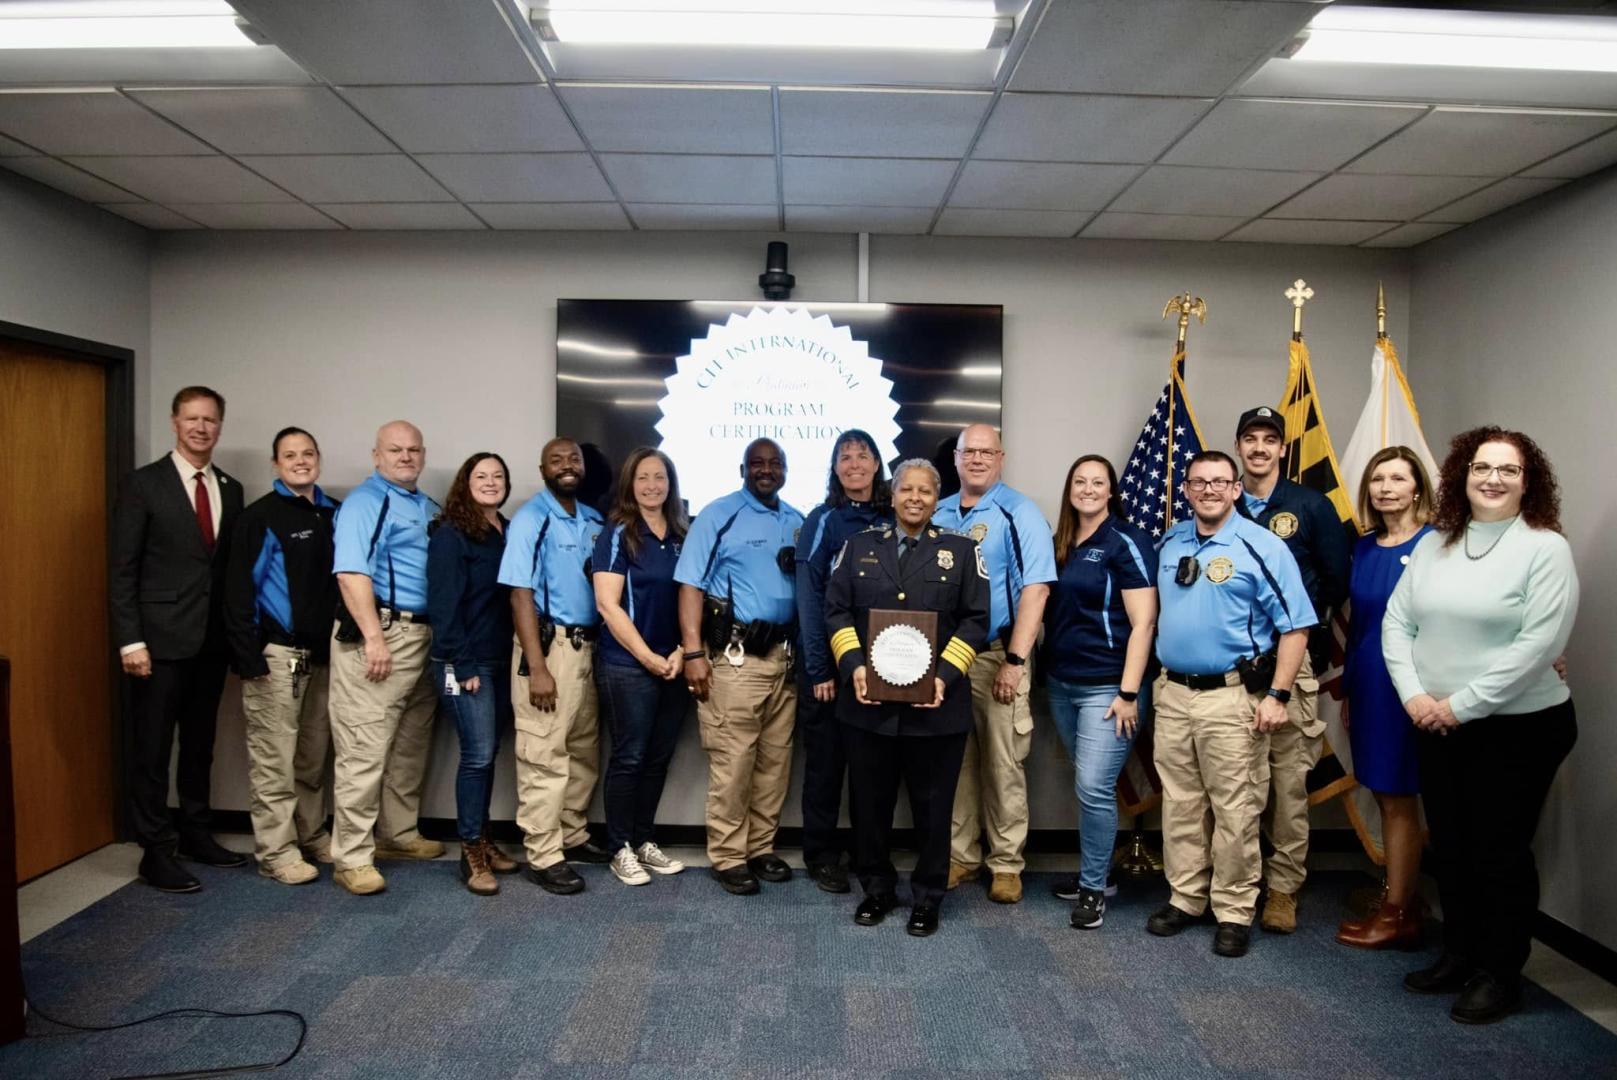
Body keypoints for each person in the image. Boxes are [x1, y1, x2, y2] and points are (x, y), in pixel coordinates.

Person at [1383, 426, 1578, 1024]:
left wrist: (1460, 705)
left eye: (1508, 470)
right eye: (1481, 468)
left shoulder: (1544, 548)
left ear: (1528, 482)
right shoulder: (1439, 543)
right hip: (1438, 724)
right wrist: (1416, 697)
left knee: (1499, 853)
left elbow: (1539, 644)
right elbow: (1398, 624)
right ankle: (1459, 953)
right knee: (1454, 847)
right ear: (1461, 477)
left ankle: (1499, 972)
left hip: (1518, 727)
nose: (1492, 479)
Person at [1146, 450, 1316, 958]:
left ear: (1236, 489)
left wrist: (1279, 695)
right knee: (1180, 804)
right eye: (1199, 482)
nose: (1209, 490)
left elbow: (1296, 625)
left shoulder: (1261, 545)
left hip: (1231, 697)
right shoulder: (1170, 541)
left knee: (1237, 809)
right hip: (1173, 693)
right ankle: (1186, 897)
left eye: (1220, 482)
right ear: (1187, 490)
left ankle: (1235, 908)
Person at [824, 459, 988, 936]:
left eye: (926, 490)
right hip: (867, 705)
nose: (915, 497)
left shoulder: (960, 551)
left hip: (936, 705)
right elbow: (836, 612)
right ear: (891, 495)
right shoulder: (857, 547)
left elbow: (976, 619)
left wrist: (945, 676)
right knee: (869, 805)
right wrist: (853, 667)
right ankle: (876, 889)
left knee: (934, 809)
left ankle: (927, 897)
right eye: (906, 489)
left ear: (938, 499)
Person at [111, 386, 248, 892]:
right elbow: (122, 569)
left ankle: (196, 833)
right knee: (151, 750)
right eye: (192, 419)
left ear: (220, 426)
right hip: (157, 643)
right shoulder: (143, 484)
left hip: (210, 643)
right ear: (174, 422)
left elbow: (226, 572)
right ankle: (155, 850)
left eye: (210, 420)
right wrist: (130, 641)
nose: (201, 428)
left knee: (199, 745)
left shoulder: (230, 489)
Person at [1231, 405, 1352, 933]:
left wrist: (1296, 630)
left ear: (1283, 448)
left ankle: (1282, 890)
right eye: (1250, 439)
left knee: (1287, 786)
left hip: (1290, 665)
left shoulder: (1310, 504)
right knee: (1236, 785)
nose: (1259, 448)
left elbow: (1336, 578)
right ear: (1238, 447)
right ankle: (1240, 883)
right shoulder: (1223, 503)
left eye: (1269, 440)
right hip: (1234, 667)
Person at [932, 423, 1056, 903]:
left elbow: (1037, 588)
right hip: (945, 663)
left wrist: (1015, 659)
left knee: (1003, 764)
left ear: (1001, 457)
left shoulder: (1018, 512)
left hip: (996, 657)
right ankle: (962, 855)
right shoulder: (939, 511)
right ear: (957, 459)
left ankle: (1006, 863)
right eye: (969, 452)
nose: (977, 459)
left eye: (987, 451)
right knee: (954, 763)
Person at [675, 438, 805, 896]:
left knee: (774, 764)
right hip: (734, 661)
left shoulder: (795, 520)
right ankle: (729, 855)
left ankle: (760, 848)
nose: (766, 470)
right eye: (758, 464)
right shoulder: (719, 514)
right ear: (743, 469)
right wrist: (693, 653)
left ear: (786, 470)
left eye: (775, 464)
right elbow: (690, 585)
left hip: (784, 660)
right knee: (733, 763)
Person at [327, 420, 444, 896]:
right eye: (395, 450)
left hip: (424, 636)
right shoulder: (364, 503)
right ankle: (351, 857)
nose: (405, 457)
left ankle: (396, 834)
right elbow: (351, 572)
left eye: (414, 449)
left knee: (409, 744)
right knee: (363, 748)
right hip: (383, 637)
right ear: (376, 455)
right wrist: (374, 637)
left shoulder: (425, 506)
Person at [1042, 455, 1159, 930]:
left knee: (1093, 786)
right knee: (1089, 786)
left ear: (1111, 491)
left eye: (1098, 482)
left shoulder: (1126, 541)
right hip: (1061, 683)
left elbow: (1144, 622)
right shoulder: (1062, 542)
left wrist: (1129, 692)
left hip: (1109, 688)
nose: (1088, 489)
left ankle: (1093, 890)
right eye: (1080, 481)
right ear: (1069, 487)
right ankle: (1099, 874)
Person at [222, 426, 338, 886]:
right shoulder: (260, 518)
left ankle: (311, 836)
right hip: (276, 656)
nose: (300, 461)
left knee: (312, 758)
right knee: (274, 757)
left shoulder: (334, 513)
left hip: (325, 656)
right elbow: (237, 592)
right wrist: (247, 658)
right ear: (276, 464)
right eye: (290, 455)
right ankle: (275, 850)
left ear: (318, 459)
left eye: (308, 453)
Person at [498, 437, 610, 895]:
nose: (567, 466)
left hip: (589, 648)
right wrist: (537, 666)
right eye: (557, 460)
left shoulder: (593, 520)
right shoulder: (531, 519)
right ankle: (544, 854)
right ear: (542, 468)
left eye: (574, 459)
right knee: (544, 754)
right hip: (550, 649)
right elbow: (519, 593)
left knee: (583, 749)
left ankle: (572, 834)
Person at [1334, 447, 1435, 949]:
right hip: (1370, 682)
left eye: (1398, 477)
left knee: (1400, 797)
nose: (1386, 487)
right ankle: (1403, 897)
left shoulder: (1439, 544)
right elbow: (1357, 628)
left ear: (1418, 486)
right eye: (1378, 479)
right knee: (1382, 792)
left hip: (1416, 687)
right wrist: (1349, 686)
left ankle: (1398, 912)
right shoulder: (1365, 547)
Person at [795, 430, 894, 893]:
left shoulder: (894, 515)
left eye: (863, 455)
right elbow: (810, 598)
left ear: (877, 463)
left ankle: (867, 853)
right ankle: (820, 854)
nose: (854, 463)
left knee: (873, 765)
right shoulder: (824, 520)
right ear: (835, 468)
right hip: (832, 668)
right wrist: (819, 668)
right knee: (826, 765)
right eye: (844, 457)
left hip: (885, 664)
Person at [591, 448, 691, 885]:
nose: (653, 485)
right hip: (628, 665)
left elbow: (693, 599)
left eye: (660, 477)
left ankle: (644, 839)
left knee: (658, 758)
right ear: (630, 483)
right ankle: (619, 847)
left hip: (673, 663)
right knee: (629, 757)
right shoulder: (618, 532)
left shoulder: (681, 534)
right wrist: (648, 656)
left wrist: (679, 653)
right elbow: (607, 605)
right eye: (643, 478)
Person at [428, 452, 518, 896]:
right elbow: (443, 609)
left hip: (500, 661)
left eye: (497, 476)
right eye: (481, 476)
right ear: (465, 482)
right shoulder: (451, 535)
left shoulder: (506, 530)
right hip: (464, 663)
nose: (490, 482)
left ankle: (484, 838)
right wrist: (463, 666)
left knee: (488, 754)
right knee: (477, 755)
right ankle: (470, 854)